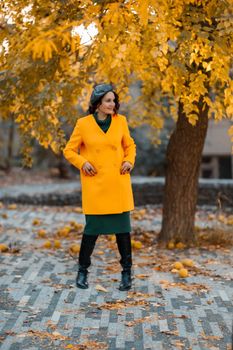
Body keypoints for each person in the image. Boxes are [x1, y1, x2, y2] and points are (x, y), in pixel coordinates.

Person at [63, 83, 136, 291]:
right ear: (97, 104)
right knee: (92, 231)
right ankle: (82, 271)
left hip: (118, 184)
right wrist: (82, 163)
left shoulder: (121, 122)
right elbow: (69, 150)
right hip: (95, 186)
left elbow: (130, 146)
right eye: (108, 101)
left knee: (123, 232)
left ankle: (126, 274)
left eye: (114, 100)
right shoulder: (83, 124)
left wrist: (129, 161)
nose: (113, 104)